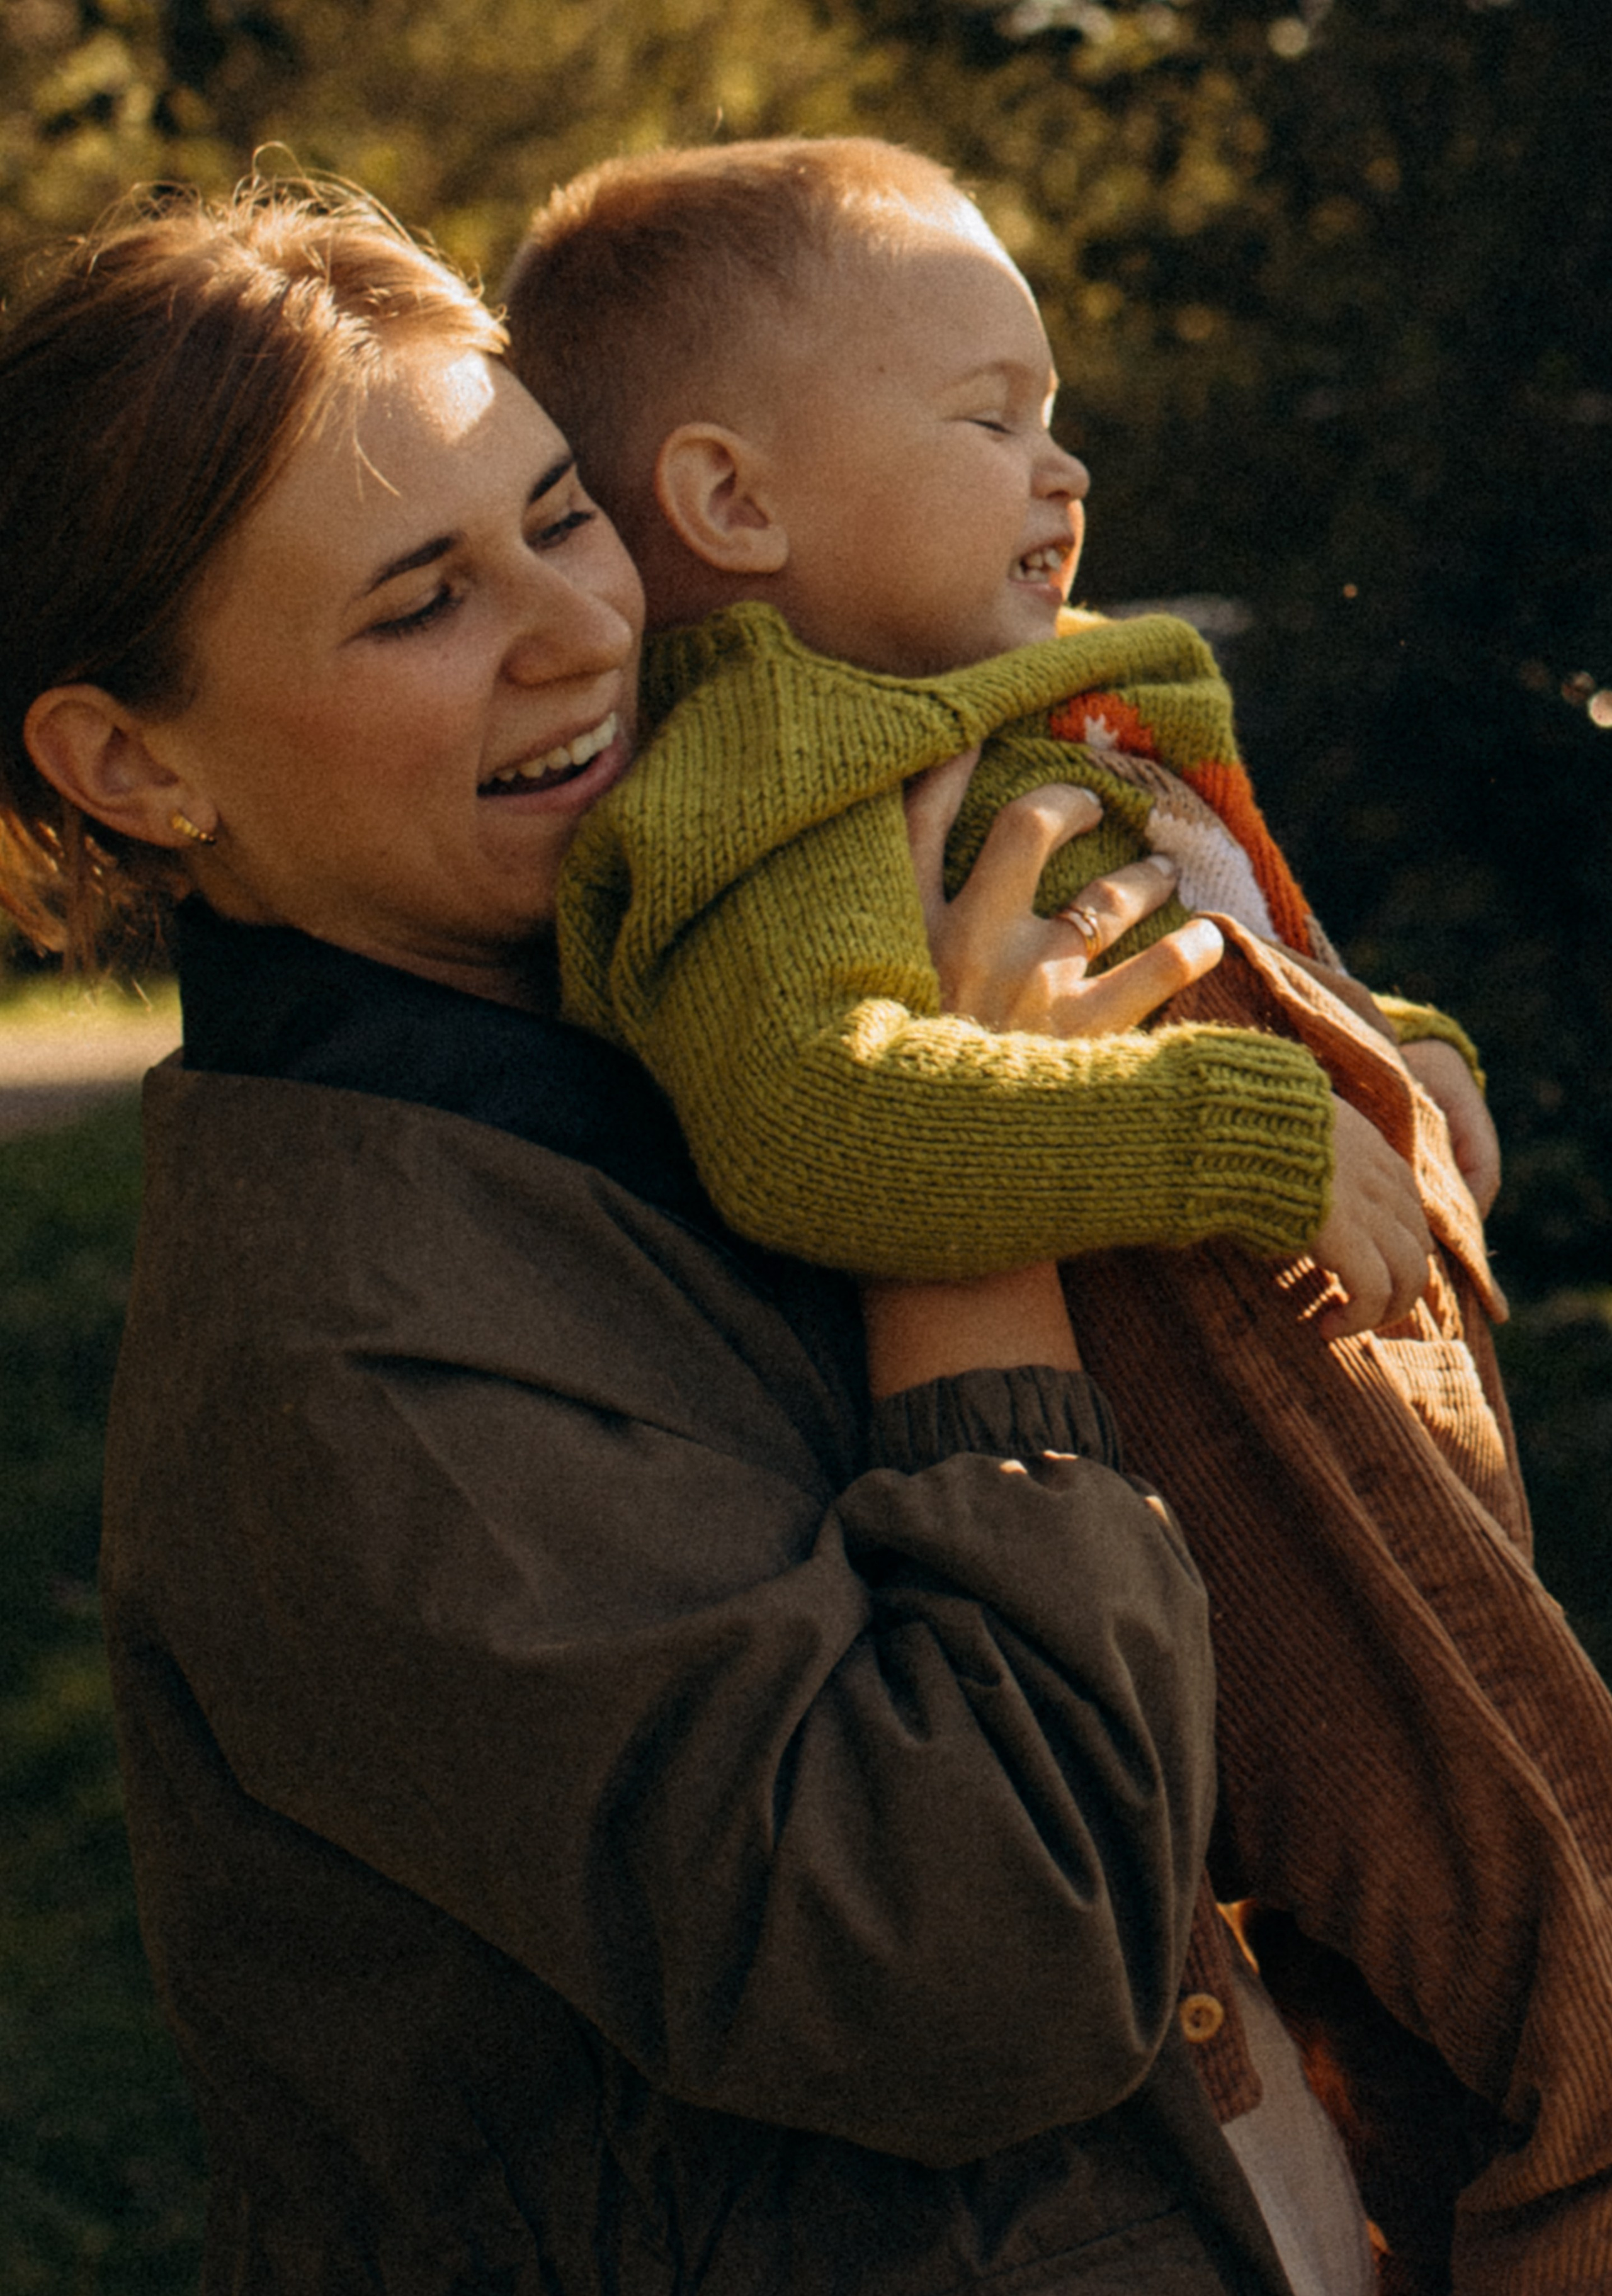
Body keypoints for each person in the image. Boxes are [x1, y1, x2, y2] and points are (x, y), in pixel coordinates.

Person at [0, 178, 1322, 2294]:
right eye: (419, 601)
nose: (581, 630)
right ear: (133, 764)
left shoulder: (677, 1007)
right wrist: (956, 1215)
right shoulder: (350, 1372)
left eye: (561, 515)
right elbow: (983, 1964)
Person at [504, 137, 1612, 2292]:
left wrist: (1408, 1048)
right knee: (1566, 1927)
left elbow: (1244, 923)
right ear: (737, 509)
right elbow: (822, 1123)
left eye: (1057, 413)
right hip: (1238, 1474)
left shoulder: (1023, 700)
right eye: (988, 419)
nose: (1065, 466)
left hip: (1374, 1445)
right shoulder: (792, 772)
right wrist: (1250, 1143)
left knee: (1467, 1964)